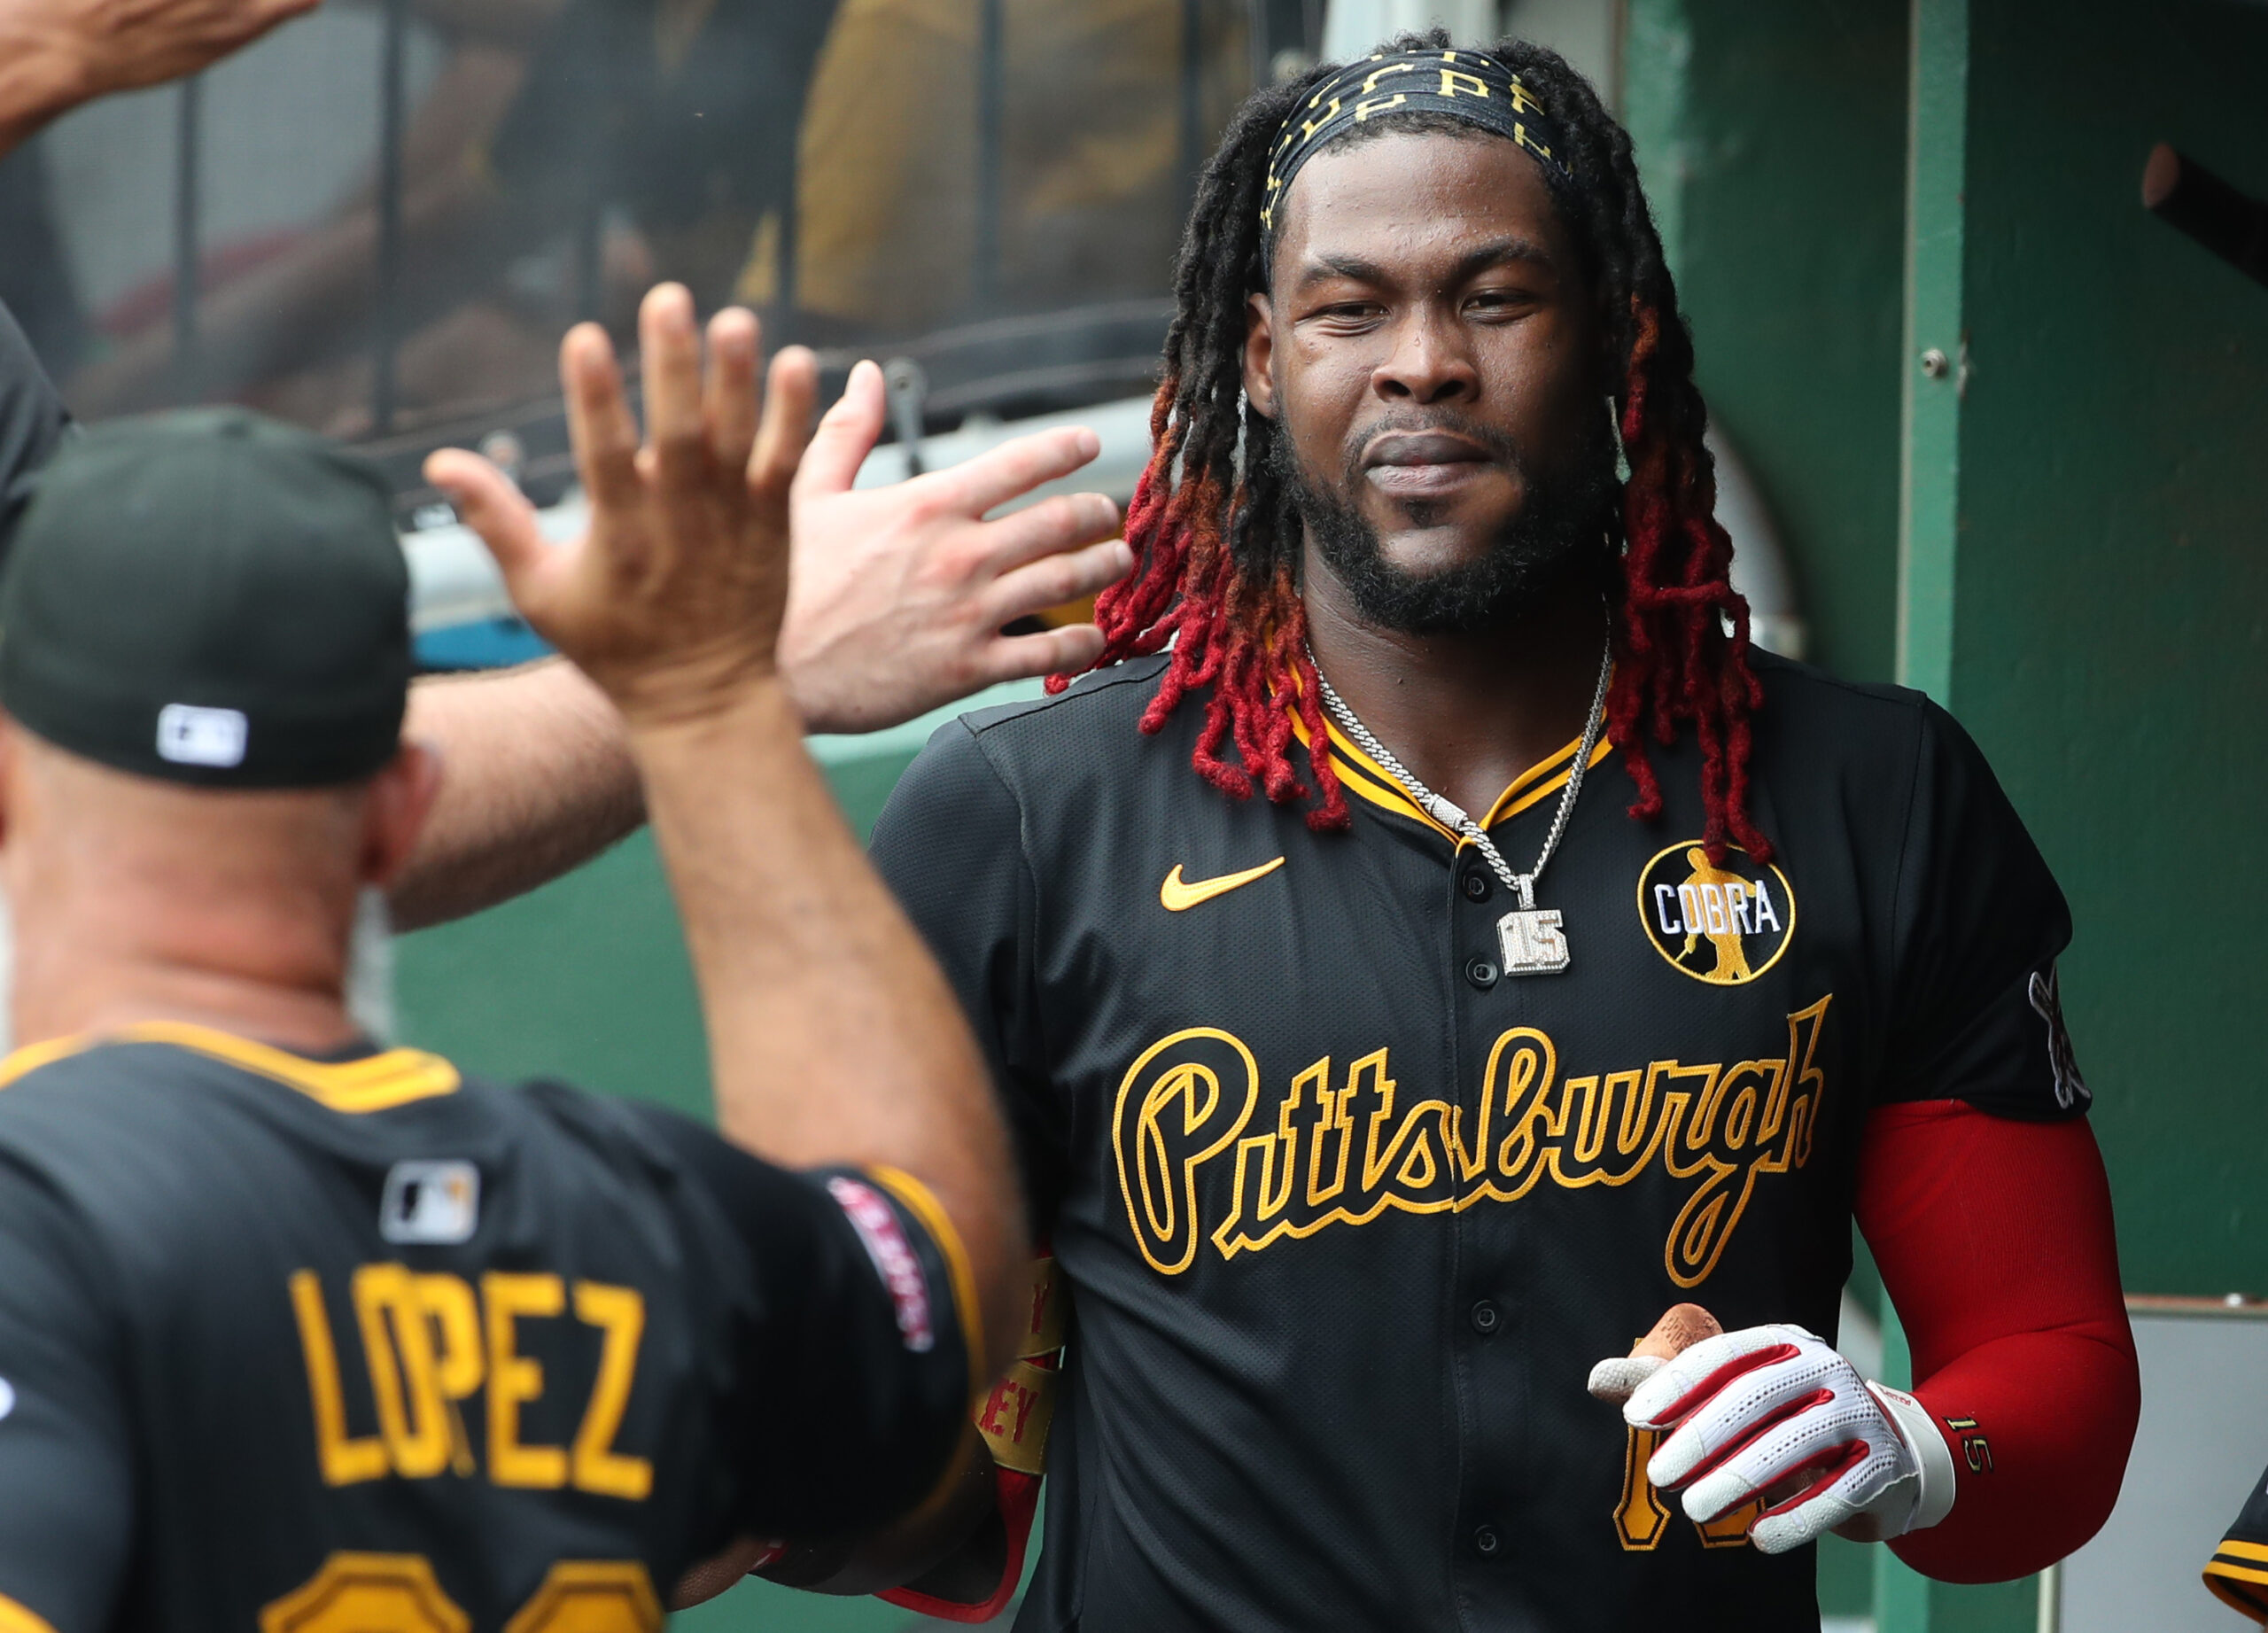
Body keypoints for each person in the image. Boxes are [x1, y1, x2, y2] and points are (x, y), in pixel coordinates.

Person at [826, 35, 2140, 1629]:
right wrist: (751, 1438)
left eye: (1496, 297)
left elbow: (2059, 1390)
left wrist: (1914, 1449)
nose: (1421, 362)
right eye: (1349, 305)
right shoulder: (1028, 819)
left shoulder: (1874, 795)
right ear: (1257, 356)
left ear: (1616, 340)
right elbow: (932, 1528)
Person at [0, 284, 1029, 1629]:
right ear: (404, 810)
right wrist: (711, 697)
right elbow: (932, 1273)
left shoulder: (34, 1238)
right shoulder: (626, 1230)